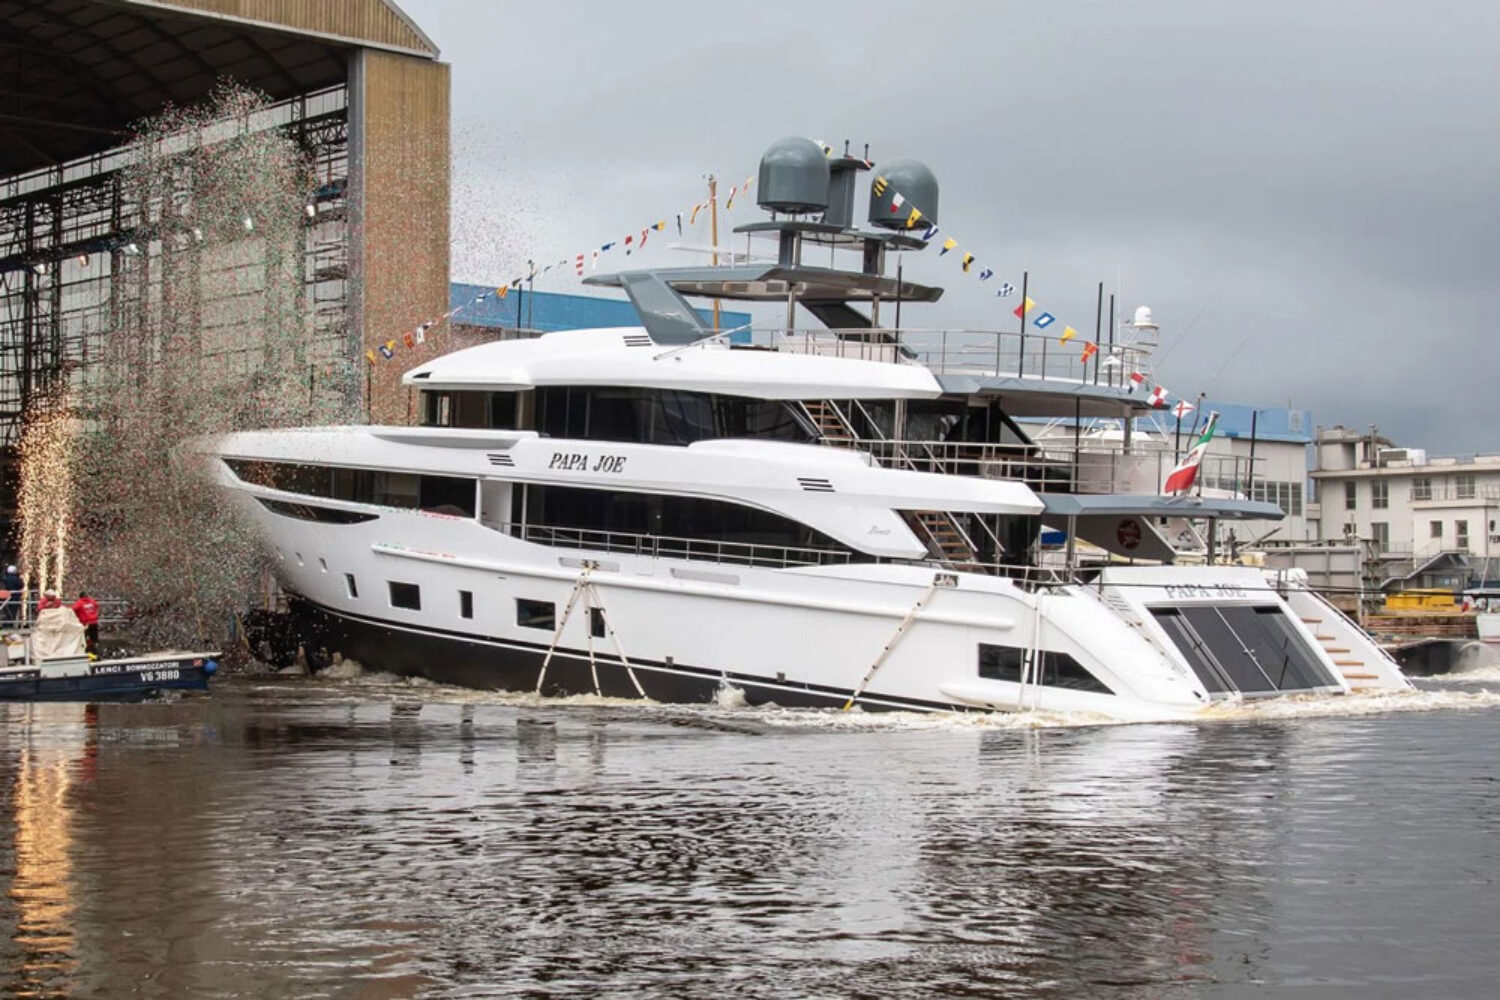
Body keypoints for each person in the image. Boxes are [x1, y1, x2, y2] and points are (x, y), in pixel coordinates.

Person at [72, 591, 100, 656]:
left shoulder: (79, 602)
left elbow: (73, 609)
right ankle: (95, 651)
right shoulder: (92, 601)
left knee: (83, 638)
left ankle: (84, 651)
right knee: (94, 639)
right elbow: (96, 606)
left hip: (85, 623)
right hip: (94, 622)